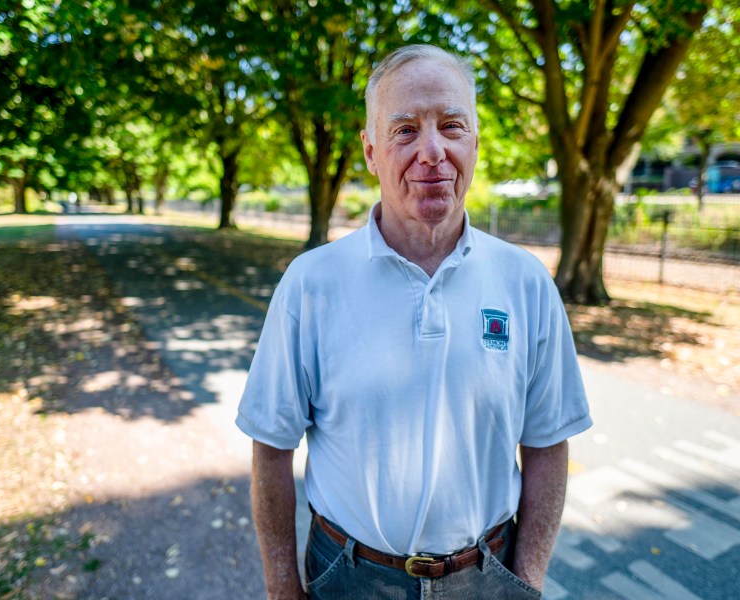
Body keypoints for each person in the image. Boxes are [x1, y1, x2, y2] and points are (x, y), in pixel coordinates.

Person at [236, 44, 592, 600]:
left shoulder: (526, 283)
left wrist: (527, 581)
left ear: (474, 142)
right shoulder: (311, 284)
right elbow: (272, 446)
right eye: (405, 130)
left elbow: (547, 442)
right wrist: (283, 588)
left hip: (487, 577)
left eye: (451, 125)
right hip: (348, 577)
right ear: (371, 151)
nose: (433, 151)